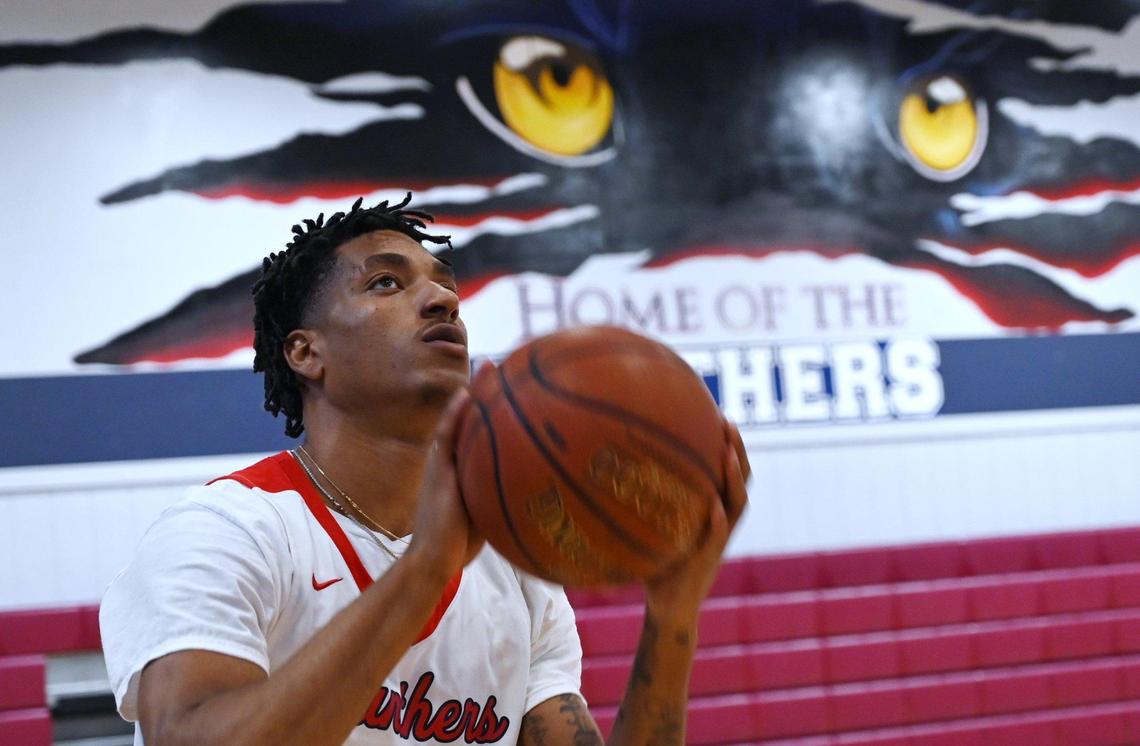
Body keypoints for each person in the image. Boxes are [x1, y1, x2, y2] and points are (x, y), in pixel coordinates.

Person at [99, 195, 750, 745]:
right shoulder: (225, 530)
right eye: (387, 282)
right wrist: (426, 569)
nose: (440, 298)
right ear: (306, 352)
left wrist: (674, 607)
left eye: (445, 283)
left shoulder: (517, 572)